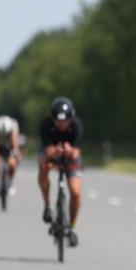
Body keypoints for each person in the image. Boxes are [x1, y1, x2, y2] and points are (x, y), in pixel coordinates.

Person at [38, 98, 83, 247]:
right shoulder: (46, 125)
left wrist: (70, 151)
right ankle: (47, 205)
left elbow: (77, 152)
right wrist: (54, 152)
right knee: (43, 167)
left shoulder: (76, 125)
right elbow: (47, 150)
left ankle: (72, 227)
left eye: (65, 121)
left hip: (70, 157)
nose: (62, 124)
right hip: (52, 154)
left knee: (75, 192)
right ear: (53, 119)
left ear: (71, 118)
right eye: (58, 121)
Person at [0, 115, 21, 196]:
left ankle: (10, 183)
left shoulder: (13, 126)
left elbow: (15, 143)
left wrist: (17, 155)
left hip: (9, 146)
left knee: (12, 164)